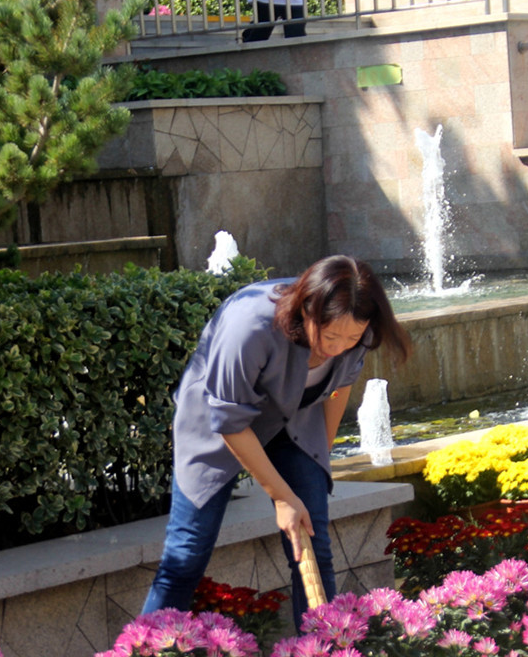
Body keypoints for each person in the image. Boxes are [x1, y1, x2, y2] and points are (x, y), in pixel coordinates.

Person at [140, 255, 411, 624]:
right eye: (330, 336)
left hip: (295, 422)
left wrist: (318, 456)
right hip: (217, 423)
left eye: (351, 338)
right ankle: (143, 655)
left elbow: (339, 388)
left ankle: (321, 654)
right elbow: (229, 422)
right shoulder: (249, 323)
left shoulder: (358, 332)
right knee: (186, 555)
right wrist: (283, 496)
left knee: (314, 547)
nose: (338, 348)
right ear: (307, 310)